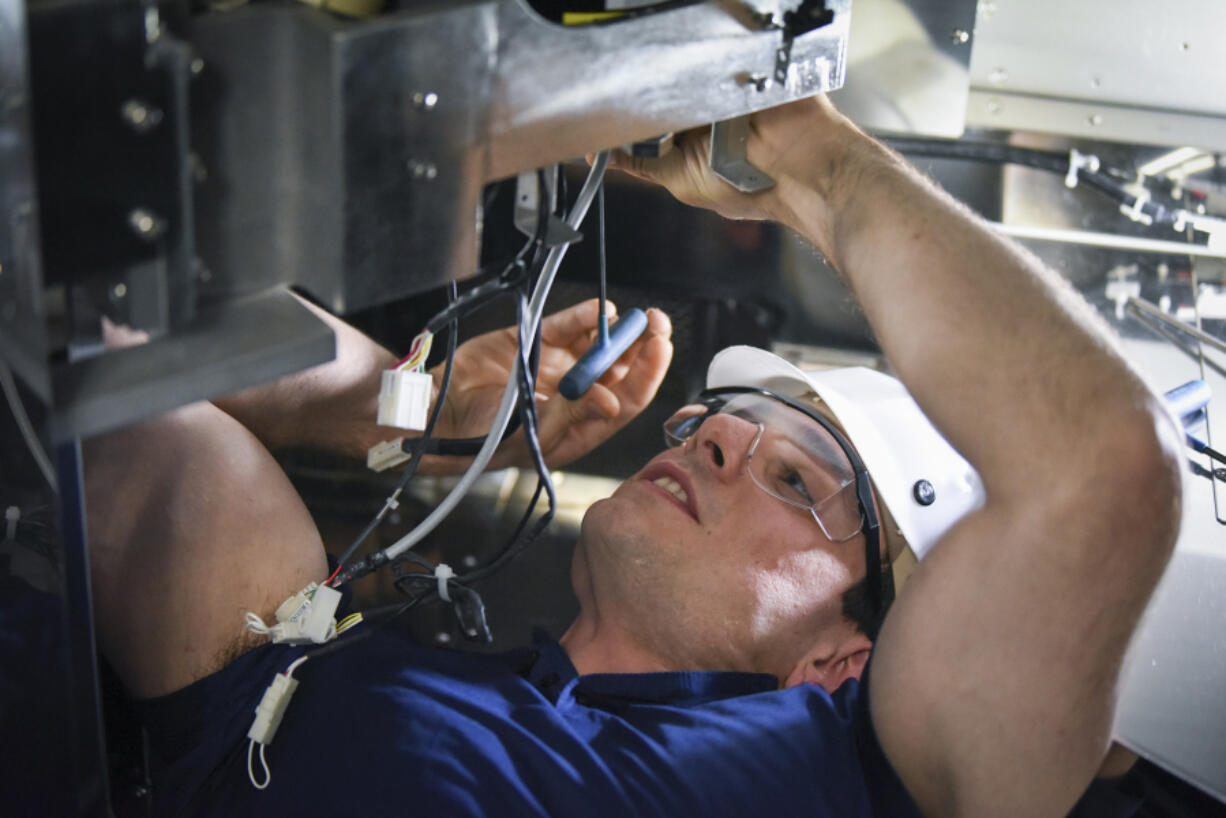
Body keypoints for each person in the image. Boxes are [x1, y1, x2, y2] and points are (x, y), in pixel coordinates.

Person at [83, 95, 1182, 817]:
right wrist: (399, 408)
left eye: (796, 478)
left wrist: (802, 147)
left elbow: (1102, 469)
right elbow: (105, 332)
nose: (710, 433)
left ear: (847, 658)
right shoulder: (332, 678)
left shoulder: (848, 770)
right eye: (722, 421)